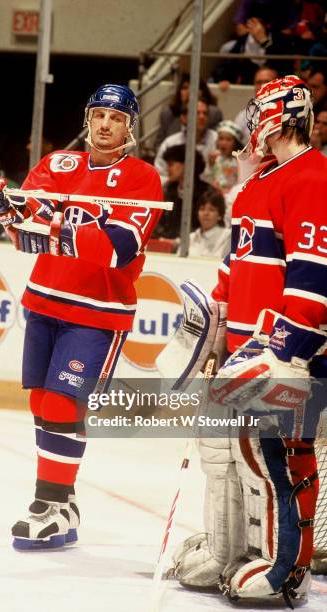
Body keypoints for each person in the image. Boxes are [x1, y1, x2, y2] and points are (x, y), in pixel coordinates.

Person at [0, 84, 163, 550]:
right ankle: (64, 502)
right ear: (88, 119)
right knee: (41, 402)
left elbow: (120, 248)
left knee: (62, 404)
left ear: (130, 127)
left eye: (116, 118)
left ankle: (47, 505)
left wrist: (46, 223)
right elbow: (28, 212)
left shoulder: (142, 177)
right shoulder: (60, 164)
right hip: (45, 299)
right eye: (98, 115)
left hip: (99, 311)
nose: (105, 124)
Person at [172, 76, 327, 606]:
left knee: (275, 454)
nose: (249, 123)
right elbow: (235, 265)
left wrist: (289, 347)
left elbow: (314, 272)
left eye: (258, 112)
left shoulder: (313, 176)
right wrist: (216, 327)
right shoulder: (259, 181)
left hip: (287, 347)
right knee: (220, 447)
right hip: (244, 342)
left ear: (283, 117)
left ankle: (288, 569)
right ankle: (228, 550)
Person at [153, 144, 213, 239]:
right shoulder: (167, 189)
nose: (167, 169)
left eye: (171, 164)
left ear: (186, 165)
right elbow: (159, 220)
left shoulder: (207, 192)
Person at [154, 99, 217, 184]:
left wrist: (212, 166)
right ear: (184, 118)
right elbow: (159, 175)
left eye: (205, 113)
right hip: (175, 191)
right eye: (197, 113)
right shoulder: (170, 143)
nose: (202, 117)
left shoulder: (218, 140)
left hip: (207, 191)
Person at [154, 73, 222, 149]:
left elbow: (219, 144)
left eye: (194, 86)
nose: (189, 91)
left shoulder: (214, 114)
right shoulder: (168, 113)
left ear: (202, 91)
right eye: (185, 88)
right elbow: (158, 144)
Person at [233, 65, 278, 143]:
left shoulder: (287, 112)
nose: (262, 86)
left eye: (267, 82)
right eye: (258, 82)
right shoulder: (243, 116)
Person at [188, 190, 231, 258]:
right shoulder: (191, 237)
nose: (206, 213)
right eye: (202, 209)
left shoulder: (227, 236)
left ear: (220, 215)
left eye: (211, 210)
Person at [204, 120, 243, 194]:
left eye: (228, 140)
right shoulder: (214, 158)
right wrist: (211, 165)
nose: (223, 143)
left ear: (235, 143)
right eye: (221, 138)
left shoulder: (240, 161)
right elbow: (207, 180)